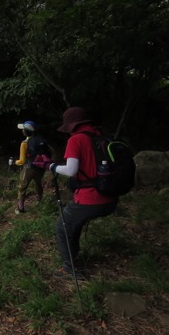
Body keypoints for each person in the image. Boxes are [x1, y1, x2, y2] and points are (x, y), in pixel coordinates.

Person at [47, 107, 118, 279]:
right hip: (110, 197)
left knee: (62, 225)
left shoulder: (76, 140)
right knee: (73, 223)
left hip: (90, 199)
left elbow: (71, 170)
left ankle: (71, 268)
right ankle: (74, 256)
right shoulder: (101, 137)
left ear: (71, 125)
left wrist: (53, 167)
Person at [13, 120, 53, 214]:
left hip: (29, 167)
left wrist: (14, 162)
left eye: (23, 129)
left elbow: (22, 161)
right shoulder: (40, 140)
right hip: (40, 167)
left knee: (22, 187)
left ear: (26, 131)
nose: (22, 130)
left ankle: (20, 208)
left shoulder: (24, 143)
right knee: (38, 184)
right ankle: (40, 201)